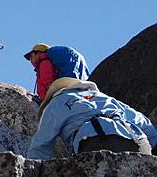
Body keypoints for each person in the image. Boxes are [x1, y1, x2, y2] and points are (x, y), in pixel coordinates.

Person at [27, 77, 157, 160]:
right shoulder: (104, 97)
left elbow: (41, 144)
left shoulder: (56, 103)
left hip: (98, 143)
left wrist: (33, 174)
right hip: (138, 141)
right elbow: (143, 123)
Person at [24, 43, 90, 102]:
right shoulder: (51, 60)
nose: (30, 60)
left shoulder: (44, 61)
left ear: (38, 53)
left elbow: (47, 79)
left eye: (31, 56)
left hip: (56, 96)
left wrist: (49, 97)